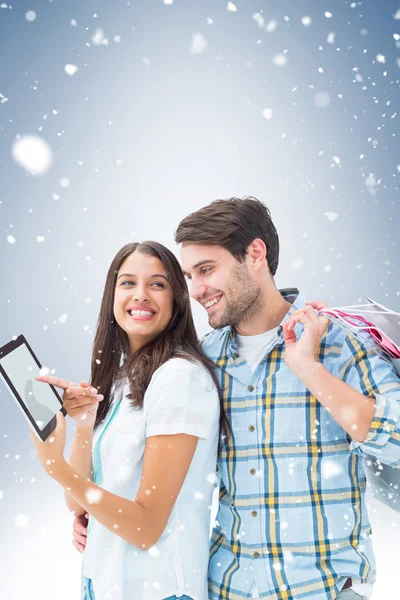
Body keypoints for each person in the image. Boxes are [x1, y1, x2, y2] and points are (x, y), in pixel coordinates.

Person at [173, 197, 400, 600]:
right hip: (228, 589)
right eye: (190, 275)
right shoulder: (203, 360)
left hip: (325, 590)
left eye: (206, 270)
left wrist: (310, 369)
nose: (196, 289)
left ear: (255, 254)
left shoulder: (339, 342)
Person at [31, 241, 227, 600]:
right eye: (128, 283)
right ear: (112, 294)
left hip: (157, 589)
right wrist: (85, 426)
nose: (141, 295)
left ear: (177, 299)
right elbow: (77, 503)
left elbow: (146, 526)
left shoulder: (179, 378)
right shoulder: (124, 377)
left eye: (157, 284)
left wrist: (54, 466)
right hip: (102, 582)